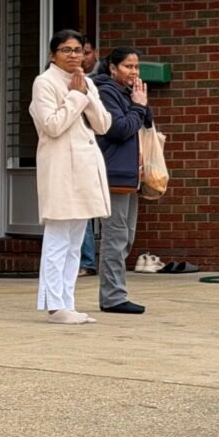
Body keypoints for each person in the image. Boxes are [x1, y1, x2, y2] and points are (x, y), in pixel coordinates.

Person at [29, 30, 112, 325]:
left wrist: (85, 94)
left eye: (79, 50)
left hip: (85, 168)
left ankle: (68, 302)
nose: (74, 55)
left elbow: (103, 125)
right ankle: (54, 305)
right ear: (53, 55)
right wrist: (76, 96)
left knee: (75, 240)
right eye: (66, 49)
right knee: (57, 239)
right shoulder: (44, 82)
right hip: (61, 168)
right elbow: (52, 126)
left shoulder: (87, 82)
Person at [93, 46, 152, 314]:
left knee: (126, 237)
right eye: (128, 66)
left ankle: (115, 292)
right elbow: (119, 129)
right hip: (113, 173)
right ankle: (113, 297)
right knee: (115, 237)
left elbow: (145, 123)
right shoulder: (105, 91)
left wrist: (140, 102)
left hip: (131, 174)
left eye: (136, 67)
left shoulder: (126, 93)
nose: (133, 72)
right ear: (112, 68)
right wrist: (137, 106)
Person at [78, 36, 100, 278]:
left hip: (99, 150)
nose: (81, 57)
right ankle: (85, 260)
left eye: (85, 51)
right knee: (81, 208)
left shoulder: (98, 83)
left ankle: (86, 260)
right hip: (80, 151)